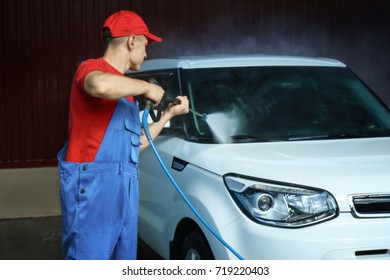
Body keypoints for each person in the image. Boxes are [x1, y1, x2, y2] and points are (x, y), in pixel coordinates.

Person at [57, 10, 189, 260]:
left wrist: (168, 115)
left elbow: (137, 144)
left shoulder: (126, 95)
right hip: (93, 187)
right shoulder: (91, 69)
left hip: (125, 189)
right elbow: (99, 85)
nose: (147, 52)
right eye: (145, 44)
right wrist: (148, 87)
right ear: (131, 41)